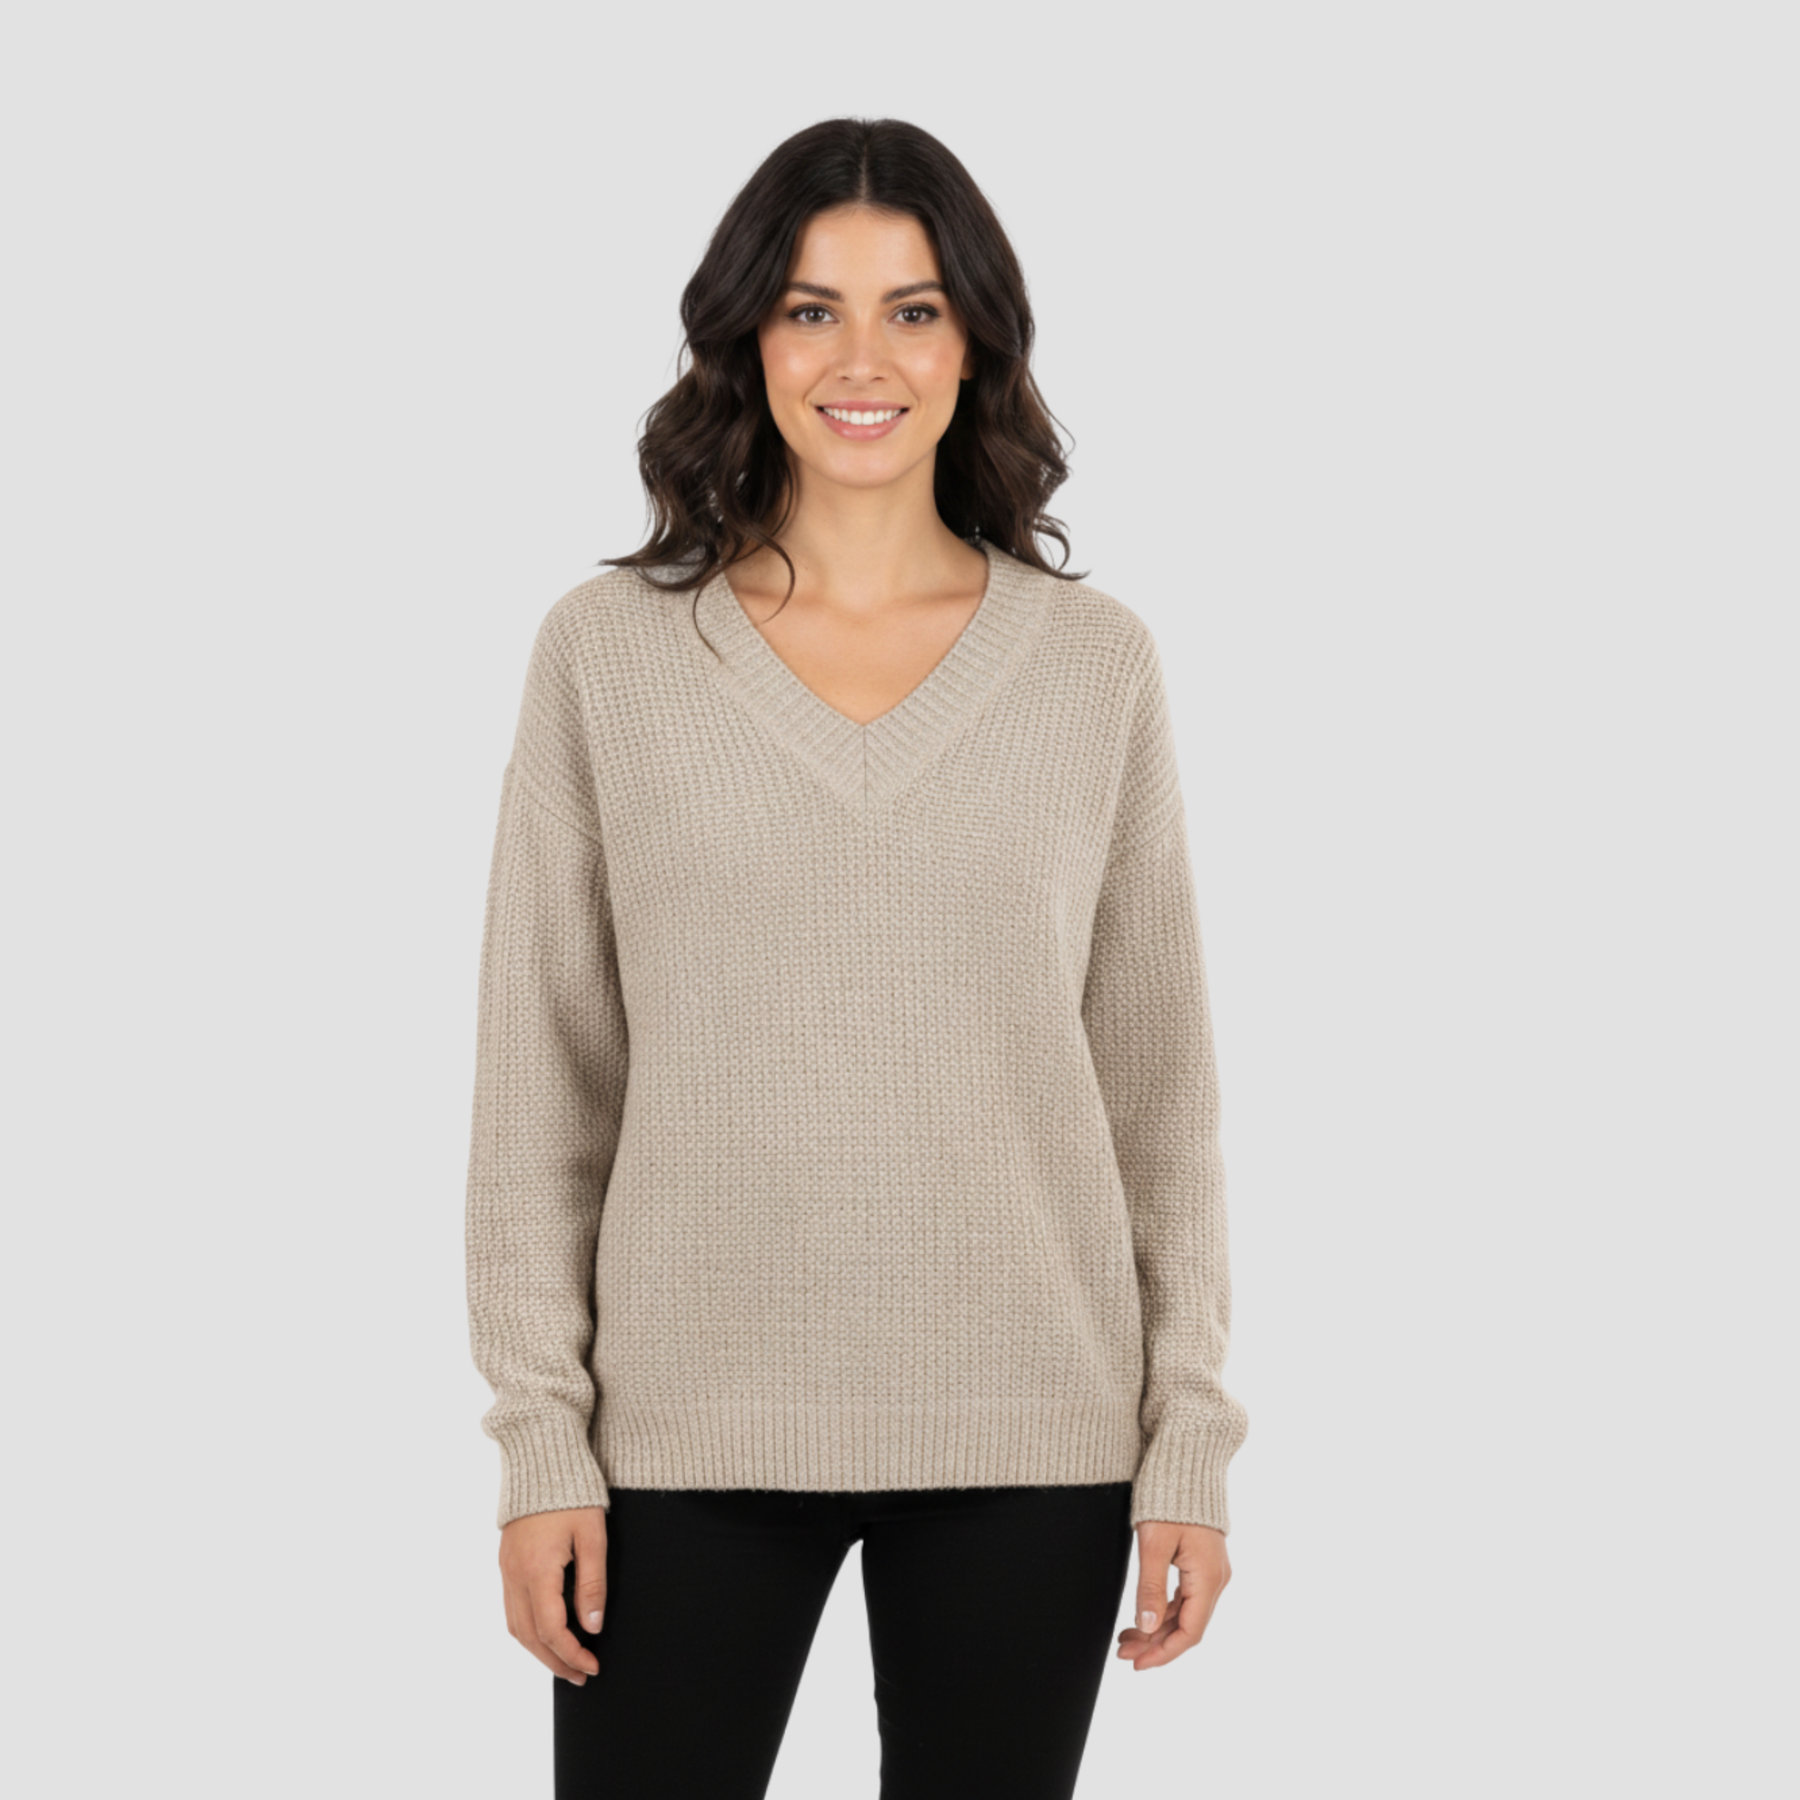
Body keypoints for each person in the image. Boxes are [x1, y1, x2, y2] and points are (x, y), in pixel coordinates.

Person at [463, 116, 1250, 1799]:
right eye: (812, 310)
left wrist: (1188, 1437)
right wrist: (542, 1443)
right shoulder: (609, 655)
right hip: (679, 1434)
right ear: (748, 338)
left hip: (1034, 1433)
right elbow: (545, 1084)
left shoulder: (1094, 667)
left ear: (976, 343)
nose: (861, 360)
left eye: (913, 310)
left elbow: (1159, 1097)